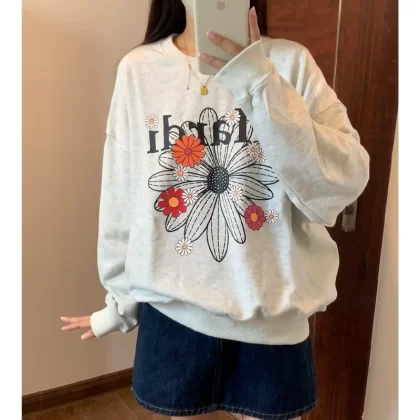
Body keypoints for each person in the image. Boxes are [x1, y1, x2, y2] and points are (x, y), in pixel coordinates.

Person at [61, 1, 369, 419]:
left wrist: (258, 80)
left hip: (272, 322)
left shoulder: (288, 63)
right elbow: (122, 193)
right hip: (173, 318)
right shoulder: (139, 71)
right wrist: (120, 302)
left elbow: (341, 182)